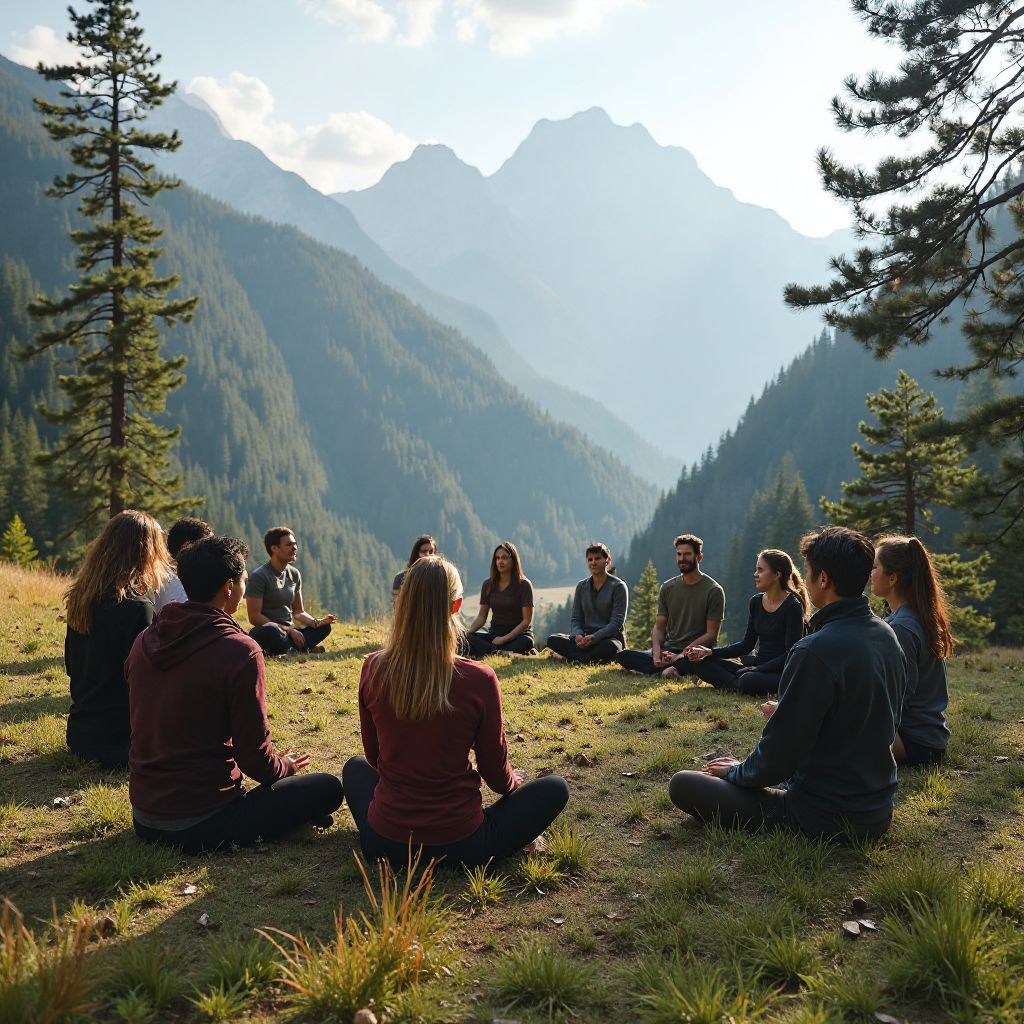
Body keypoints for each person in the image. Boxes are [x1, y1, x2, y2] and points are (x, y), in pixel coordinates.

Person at [667, 526, 907, 841]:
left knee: (683, 784)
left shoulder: (814, 650)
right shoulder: (888, 636)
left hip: (823, 815)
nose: (804, 580)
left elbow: (778, 757)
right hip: (877, 810)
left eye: (807, 571)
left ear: (823, 579)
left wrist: (739, 771)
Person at [344, 556, 567, 868]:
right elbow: (495, 774)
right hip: (463, 844)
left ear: (403, 601)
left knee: (354, 768)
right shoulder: (479, 679)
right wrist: (514, 784)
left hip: (384, 843)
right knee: (555, 788)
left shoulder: (373, 667)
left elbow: (374, 758)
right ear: (457, 604)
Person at [127, 536, 344, 852]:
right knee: (327, 788)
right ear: (229, 587)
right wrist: (286, 768)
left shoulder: (145, 640)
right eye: (242, 581)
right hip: (204, 818)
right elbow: (255, 760)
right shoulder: (239, 650)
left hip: (145, 816)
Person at [64, 510, 171, 769]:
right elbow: (147, 681)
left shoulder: (82, 598)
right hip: (122, 742)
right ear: (147, 552)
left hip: (81, 735)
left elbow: (71, 665)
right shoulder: (136, 607)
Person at [871, 535, 953, 767]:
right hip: (927, 738)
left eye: (875, 567)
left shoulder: (901, 627)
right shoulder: (909, 617)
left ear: (893, 578)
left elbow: (896, 697)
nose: (870, 573)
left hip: (914, 742)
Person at [686, 548, 808, 695]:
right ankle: (738, 684)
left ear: (777, 575)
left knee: (748, 679)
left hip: (778, 672)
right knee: (700, 663)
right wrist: (710, 652)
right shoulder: (756, 602)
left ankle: (737, 684)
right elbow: (747, 644)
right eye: (756, 570)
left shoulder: (793, 606)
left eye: (760, 570)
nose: (755, 574)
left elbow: (791, 654)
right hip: (757, 666)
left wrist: (758, 669)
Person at [615, 534, 725, 677]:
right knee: (623, 656)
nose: (682, 559)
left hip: (694, 653)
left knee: (694, 662)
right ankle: (665, 668)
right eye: (679, 554)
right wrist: (656, 653)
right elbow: (659, 627)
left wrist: (680, 655)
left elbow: (711, 635)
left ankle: (664, 670)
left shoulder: (714, 590)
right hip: (668, 649)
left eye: (687, 554)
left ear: (699, 557)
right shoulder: (668, 587)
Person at [246, 526, 336, 655]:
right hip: (271, 631)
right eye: (288, 545)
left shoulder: (294, 574)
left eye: (295, 544)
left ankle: (291, 650)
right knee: (270, 632)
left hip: (289, 633)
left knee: (324, 628)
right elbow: (254, 617)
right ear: (274, 548)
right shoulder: (259, 576)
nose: (294, 548)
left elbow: (298, 612)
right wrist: (288, 630)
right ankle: (300, 649)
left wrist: (316, 622)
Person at [546, 543, 629, 664]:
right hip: (585, 640)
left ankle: (576, 658)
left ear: (608, 560)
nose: (593, 563)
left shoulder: (619, 587)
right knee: (553, 640)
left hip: (608, 639)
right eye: (590, 559)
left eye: (598, 558)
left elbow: (616, 623)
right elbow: (576, 618)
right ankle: (586, 658)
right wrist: (578, 635)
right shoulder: (582, 586)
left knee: (610, 647)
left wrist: (595, 637)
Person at [464, 541, 536, 657]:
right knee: (467, 638)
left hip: (517, 635)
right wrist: (468, 633)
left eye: (504, 558)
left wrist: (504, 639)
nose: (500, 561)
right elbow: (482, 617)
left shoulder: (524, 585)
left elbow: (526, 621)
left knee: (527, 642)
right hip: (495, 634)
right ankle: (499, 652)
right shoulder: (488, 585)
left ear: (513, 560)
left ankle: (491, 651)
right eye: (497, 558)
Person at [154, 517, 213, 612]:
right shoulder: (178, 582)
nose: (212, 552)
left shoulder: (161, 574)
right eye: (207, 545)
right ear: (187, 546)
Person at [393, 535, 438, 603]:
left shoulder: (440, 578)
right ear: (416, 554)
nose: (428, 554)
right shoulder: (401, 578)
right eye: (424, 551)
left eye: (431, 551)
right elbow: (396, 606)